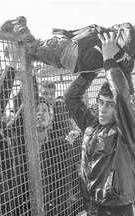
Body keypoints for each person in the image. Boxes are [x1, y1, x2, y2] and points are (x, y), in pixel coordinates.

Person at [64, 32, 135, 215]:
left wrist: (109, 60)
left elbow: (121, 96)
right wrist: (92, 69)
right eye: (101, 102)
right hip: (91, 204)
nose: (102, 109)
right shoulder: (91, 126)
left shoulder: (125, 130)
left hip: (117, 208)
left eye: (110, 105)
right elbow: (71, 98)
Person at [0, 17, 135, 95]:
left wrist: (131, 95)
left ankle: (14, 45)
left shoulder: (123, 52)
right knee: (32, 46)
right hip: (65, 50)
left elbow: (127, 75)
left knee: (31, 52)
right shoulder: (125, 34)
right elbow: (129, 36)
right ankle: (19, 27)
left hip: (66, 58)